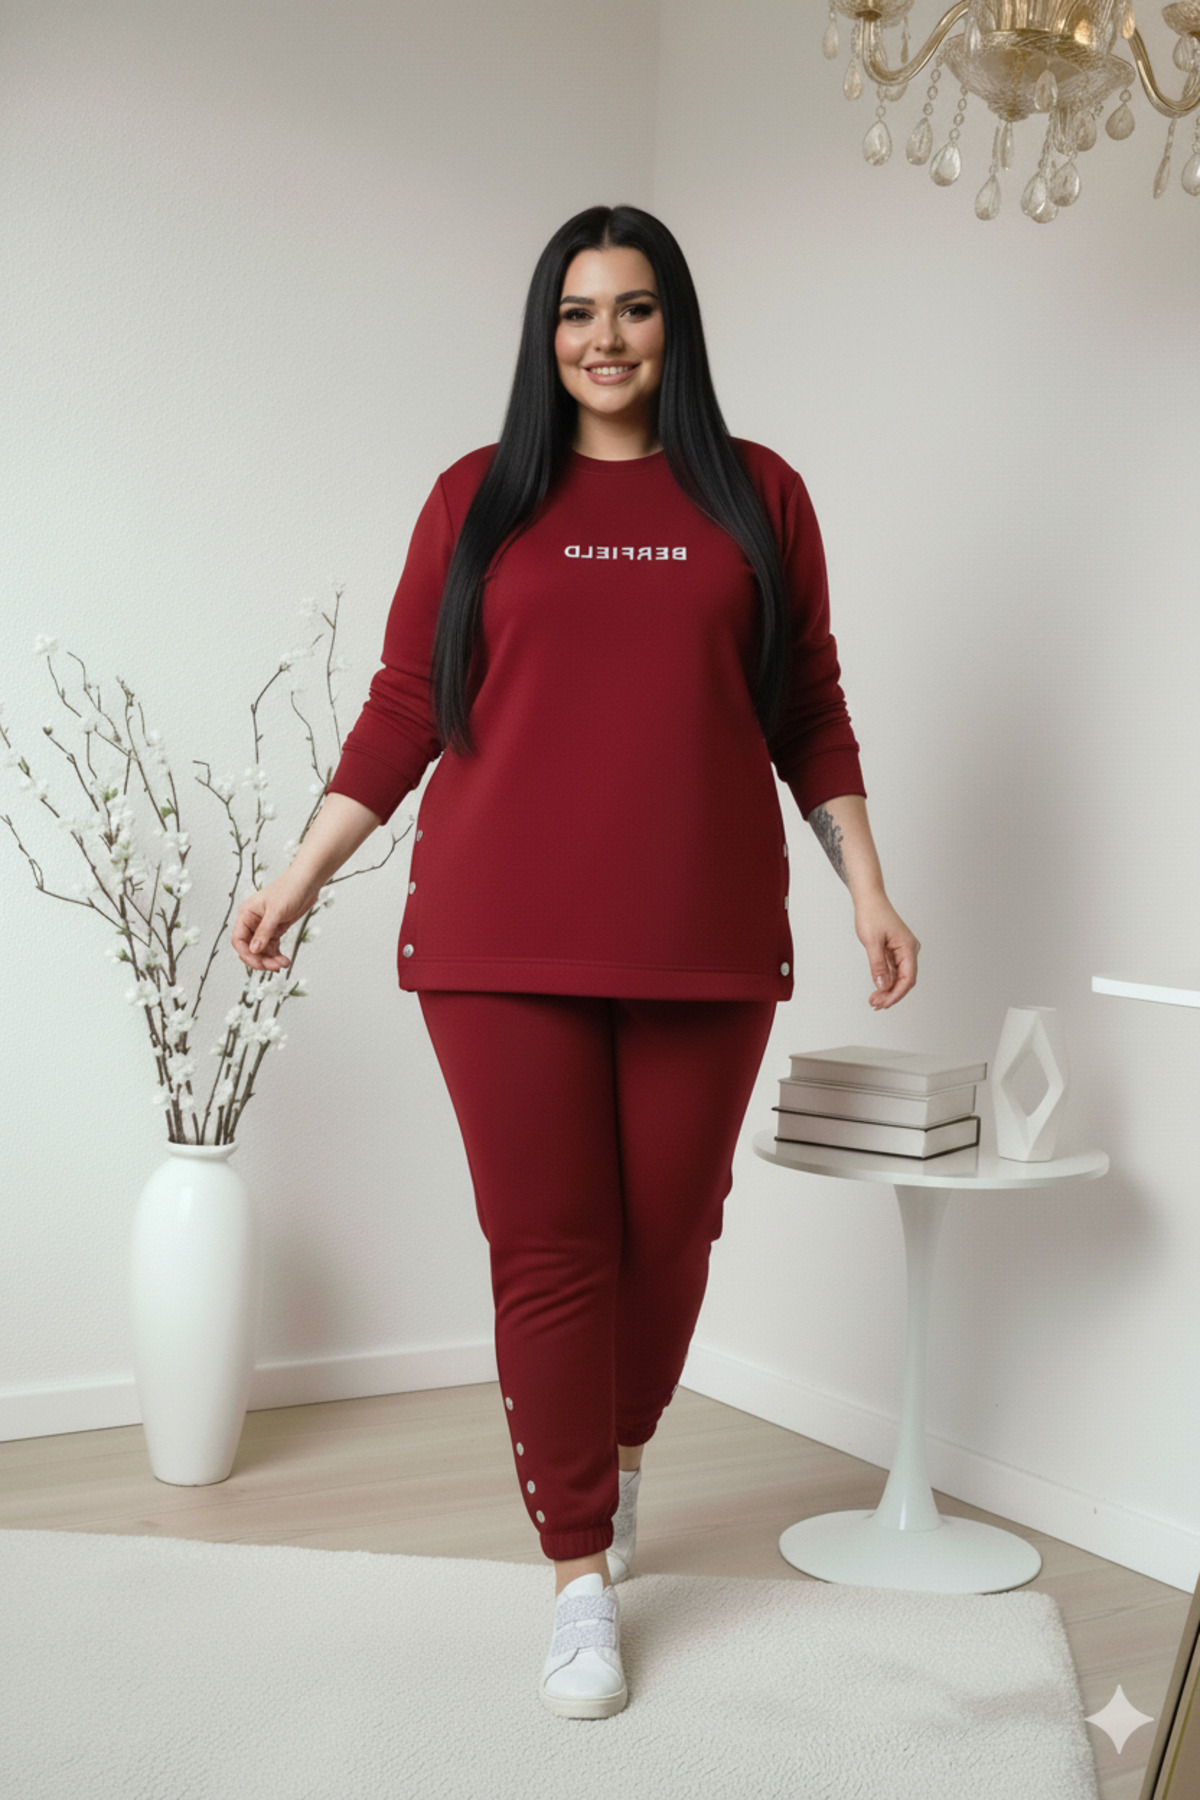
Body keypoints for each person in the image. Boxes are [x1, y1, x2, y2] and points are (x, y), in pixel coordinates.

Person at [232, 203, 920, 1720]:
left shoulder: (760, 496)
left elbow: (808, 705)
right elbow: (406, 704)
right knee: (550, 1247)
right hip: (497, 931)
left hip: (703, 930)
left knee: (669, 1236)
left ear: (675, 325)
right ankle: (578, 1579)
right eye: (576, 312)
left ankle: (608, 1456)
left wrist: (867, 887)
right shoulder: (477, 498)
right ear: (545, 335)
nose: (605, 338)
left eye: (634, 308)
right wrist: (299, 875)